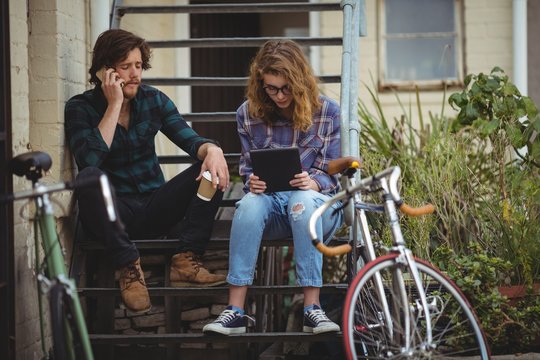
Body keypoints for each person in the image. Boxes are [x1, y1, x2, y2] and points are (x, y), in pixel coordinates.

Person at [65, 29, 229, 314]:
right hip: (112, 214)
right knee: (88, 177)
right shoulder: (80, 107)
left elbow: (189, 140)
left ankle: (186, 260)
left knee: (209, 171)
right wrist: (115, 104)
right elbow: (89, 158)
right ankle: (128, 267)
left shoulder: (154, 100)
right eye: (125, 66)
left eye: (138, 66)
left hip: (155, 206)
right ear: (105, 70)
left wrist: (212, 150)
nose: (135, 74)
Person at [203, 40, 343, 335]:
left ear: (299, 82)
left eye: (285, 88)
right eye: (271, 88)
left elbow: (333, 172)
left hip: (317, 208)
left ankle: (312, 310)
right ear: (260, 84)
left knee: (303, 200)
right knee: (249, 204)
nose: (279, 96)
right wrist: (252, 180)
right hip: (273, 206)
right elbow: (247, 166)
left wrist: (314, 180)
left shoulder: (327, 112)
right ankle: (235, 312)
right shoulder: (247, 113)